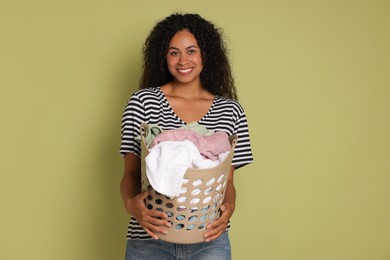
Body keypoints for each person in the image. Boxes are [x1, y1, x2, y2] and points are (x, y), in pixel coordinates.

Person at [120, 13, 253, 260]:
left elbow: (227, 182)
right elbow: (130, 173)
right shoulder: (143, 102)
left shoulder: (230, 110)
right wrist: (132, 206)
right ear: (164, 57)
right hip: (150, 237)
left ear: (206, 54)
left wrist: (229, 209)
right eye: (174, 52)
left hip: (209, 239)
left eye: (191, 51)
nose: (183, 60)